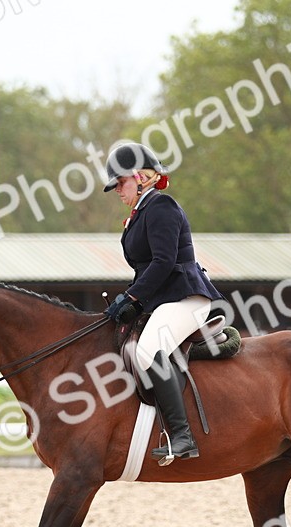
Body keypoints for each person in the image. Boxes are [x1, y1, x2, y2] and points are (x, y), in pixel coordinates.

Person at [101, 142, 224, 463]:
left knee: (148, 350)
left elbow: (164, 262)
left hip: (186, 297)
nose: (117, 189)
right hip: (163, 299)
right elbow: (145, 269)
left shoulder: (162, 207)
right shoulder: (140, 214)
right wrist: (129, 300)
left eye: (120, 182)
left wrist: (132, 297)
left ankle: (182, 437)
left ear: (141, 177)